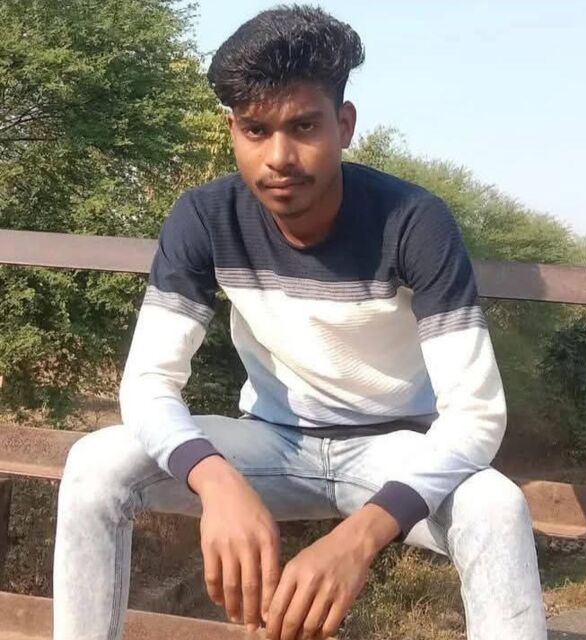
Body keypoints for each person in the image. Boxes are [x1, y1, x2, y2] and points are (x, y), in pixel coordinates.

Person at [53, 5, 547, 640]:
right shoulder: (206, 217)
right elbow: (148, 383)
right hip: (273, 443)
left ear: (345, 125)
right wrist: (216, 480)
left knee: (496, 507)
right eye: (256, 130)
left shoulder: (412, 222)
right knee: (96, 464)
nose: (279, 157)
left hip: (395, 449)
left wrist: (358, 538)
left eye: (304, 126)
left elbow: (476, 414)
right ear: (233, 129)